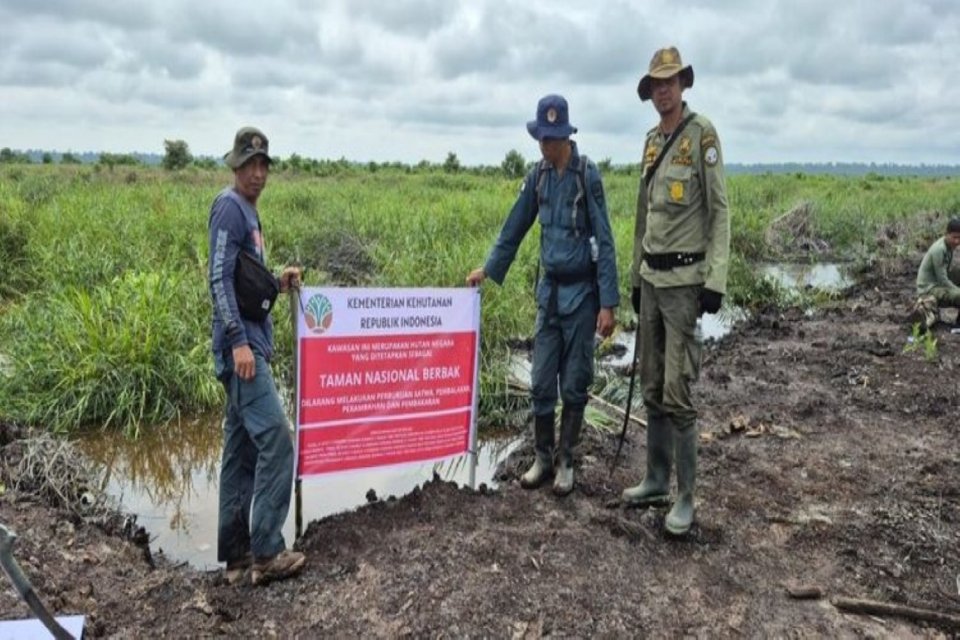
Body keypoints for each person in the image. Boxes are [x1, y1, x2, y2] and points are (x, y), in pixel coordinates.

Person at [466, 95, 619, 496]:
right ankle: (543, 457)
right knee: (539, 382)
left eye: (551, 139)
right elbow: (513, 227)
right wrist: (489, 268)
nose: (544, 146)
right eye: (541, 138)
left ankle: (567, 460)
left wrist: (608, 302)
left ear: (566, 137)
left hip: (583, 296)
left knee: (574, 382)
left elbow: (605, 239)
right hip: (549, 293)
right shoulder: (538, 177)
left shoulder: (588, 176)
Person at [621, 47, 730, 535]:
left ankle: (686, 497)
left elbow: (720, 211)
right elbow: (644, 217)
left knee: (677, 390)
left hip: (686, 284)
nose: (663, 91)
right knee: (650, 387)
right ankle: (655, 479)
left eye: (670, 82)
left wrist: (716, 280)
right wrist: (633, 279)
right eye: (656, 85)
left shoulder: (701, 135)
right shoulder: (649, 143)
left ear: (683, 85)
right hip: (652, 278)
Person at [208, 126, 306, 585]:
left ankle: (235, 557)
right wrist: (238, 341)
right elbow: (219, 280)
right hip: (243, 352)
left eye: (263, 165)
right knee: (278, 441)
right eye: (250, 165)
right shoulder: (229, 207)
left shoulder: (249, 212)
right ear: (236, 166)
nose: (258, 173)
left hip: (248, 344)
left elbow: (244, 279)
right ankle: (267, 552)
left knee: (241, 450)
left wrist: (276, 282)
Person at [913, 218, 960, 330]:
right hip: (928, 288)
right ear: (946, 234)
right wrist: (957, 290)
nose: (957, 241)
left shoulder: (949, 246)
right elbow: (942, 280)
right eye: (954, 237)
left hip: (936, 281)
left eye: (959, 238)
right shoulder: (939, 249)